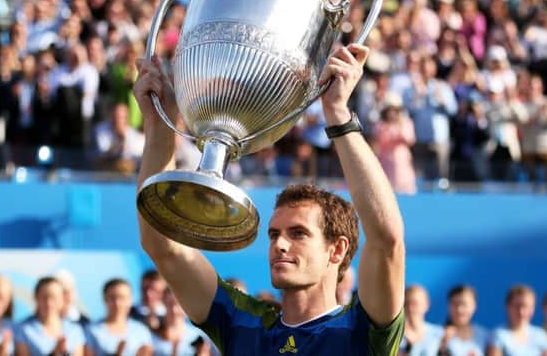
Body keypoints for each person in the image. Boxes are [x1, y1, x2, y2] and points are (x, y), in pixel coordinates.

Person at [133, 44, 406, 355]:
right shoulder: (242, 323)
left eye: (298, 233)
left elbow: (387, 239)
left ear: (337, 249)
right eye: (275, 234)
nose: (280, 244)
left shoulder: (362, 330)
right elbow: (162, 245)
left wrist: (338, 115)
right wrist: (159, 124)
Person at [15, 277, 86, 356]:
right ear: (36, 298)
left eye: (54, 297)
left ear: (62, 299)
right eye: (44, 297)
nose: (49, 303)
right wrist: (54, 353)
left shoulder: (74, 330)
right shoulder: (24, 329)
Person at [85, 278, 153, 356]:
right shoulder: (92, 330)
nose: (117, 303)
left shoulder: (141, 331)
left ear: (130, 300)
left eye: (122, 298)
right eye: (112, 298)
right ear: (104, 299)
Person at [487, 284, 547, 356]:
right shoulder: (498, 334)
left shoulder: (541, 335)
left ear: (533, 308)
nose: (521, 312)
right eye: (517, 306)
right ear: (508, 306)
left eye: (526, 306)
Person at [152, 288, 217, 356]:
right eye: (170, 304)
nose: (174, 310)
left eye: (178, 304)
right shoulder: (152, 334)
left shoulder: (198, 336)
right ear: (163, 303)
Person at [438, 285, 490, 356]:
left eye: (464, 304)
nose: (459, 310)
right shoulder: (437, 334)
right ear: (448, 306)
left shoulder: (484, 336)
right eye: (455, 304)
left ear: (474, 306)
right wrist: (441, 345)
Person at [399, 284, 443, 356]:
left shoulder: (439, 334)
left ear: (426, 304)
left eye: (415, 303)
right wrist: (408, 347)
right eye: (406, 303)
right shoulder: (395, 335)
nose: (410, 308)